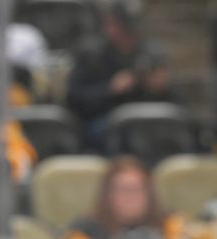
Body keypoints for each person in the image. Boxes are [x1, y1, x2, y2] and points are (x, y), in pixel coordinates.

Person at [66, 1, 175, 152]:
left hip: (146, 122)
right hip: (103, 121)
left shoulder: (151, 53)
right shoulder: (91, 54)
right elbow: (74, 99)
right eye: (114, 24)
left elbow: (176, 101)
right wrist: (110, 89)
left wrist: (161, 88)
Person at [57, 157, 174, 239]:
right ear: (108, 195)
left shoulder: (172, 225)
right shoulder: (85, 230)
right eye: (124, 190)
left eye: (138, 189)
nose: (131, 198)